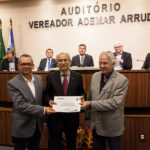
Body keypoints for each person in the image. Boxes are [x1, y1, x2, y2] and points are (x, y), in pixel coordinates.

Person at [80, 51, 128, 150]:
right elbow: (91, 96)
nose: (101, 66)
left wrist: (90, 104)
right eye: (100, 63)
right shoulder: (95, 76)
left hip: (112, 125)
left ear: (113, 63)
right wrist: (88, 117)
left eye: (105, 63)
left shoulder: (122, 80)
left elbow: (114, 103)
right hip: (96, 124)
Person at [7, 54, 55, 150]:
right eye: (23, 64)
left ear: (33, 65)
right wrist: (43, 109)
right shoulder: (12, 83)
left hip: (37, 125)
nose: (26, 66)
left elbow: (41, 98)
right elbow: (21, 105)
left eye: (29, 64)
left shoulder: (38, 79)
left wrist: (48, 102)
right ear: (18, 66)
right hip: (22, 126)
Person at [44, 52, 86, 150]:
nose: (63, 62)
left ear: (70, 61)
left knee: (71, 143)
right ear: (57, 63)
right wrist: (49, 101)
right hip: (55, 117)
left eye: (65, 60)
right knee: (54, 143)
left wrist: (83, 97)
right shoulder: (51, 77)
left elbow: (83, 92)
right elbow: (46, 94)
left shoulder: (78, 76)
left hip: (72, 117)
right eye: (60, 60)